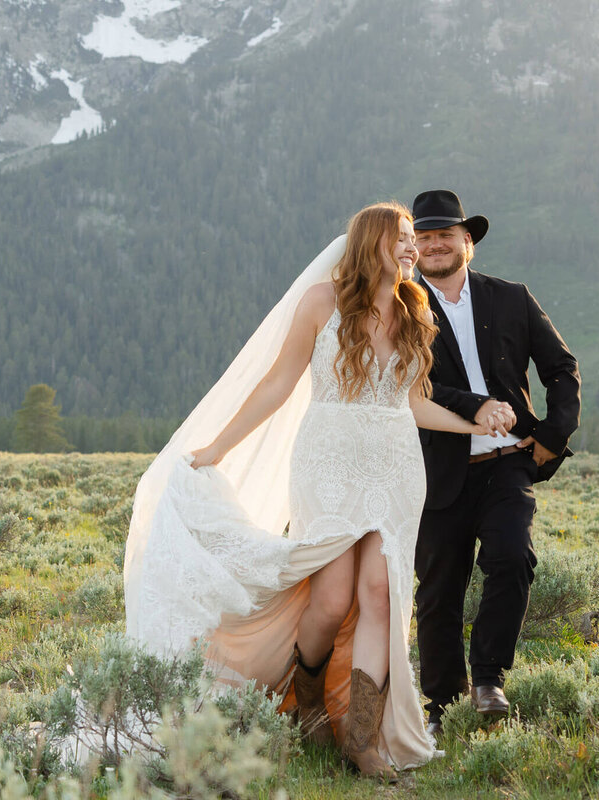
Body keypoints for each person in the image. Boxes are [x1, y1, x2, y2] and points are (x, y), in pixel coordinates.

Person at [123, 202, 505, 780]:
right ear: (370, 241)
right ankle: (303, 701)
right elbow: (277, 383)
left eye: (414, 240)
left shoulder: (414, 309)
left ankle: (362, 739)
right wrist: (216, 449)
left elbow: (413, 400)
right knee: (329, 599)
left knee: (380, 593)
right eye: (402, 239)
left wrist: (473, 424)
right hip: (328, 463)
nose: (413, 249)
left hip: (395, 465)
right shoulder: (321, 304)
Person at [410, 189, 581, 736]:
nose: (435, 244)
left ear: (468, 242)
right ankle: (440, 703)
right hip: (437, 467)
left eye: (445, 234)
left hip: (510, 462)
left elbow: (561, 366)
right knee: (439, 589)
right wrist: (476, 407)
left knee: (512, 558)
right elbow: (415, 385)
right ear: (414, 247)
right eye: (425, 236)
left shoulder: (511, 297)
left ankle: (488, 678)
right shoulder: (400, 307)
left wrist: (553, 436)